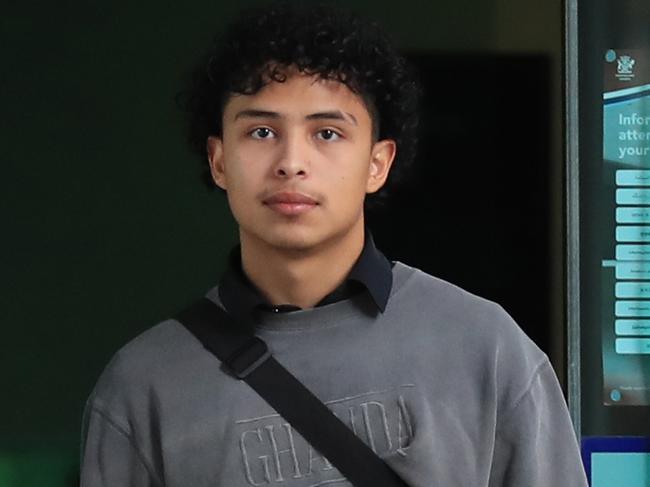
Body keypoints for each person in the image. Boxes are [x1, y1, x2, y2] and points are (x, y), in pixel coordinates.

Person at [80, 2, 588, 486]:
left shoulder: (486, 349)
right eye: (261, 131)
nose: (291, 162)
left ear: (377, 163)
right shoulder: (142, 387)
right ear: (218, 161)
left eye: (326, 133)